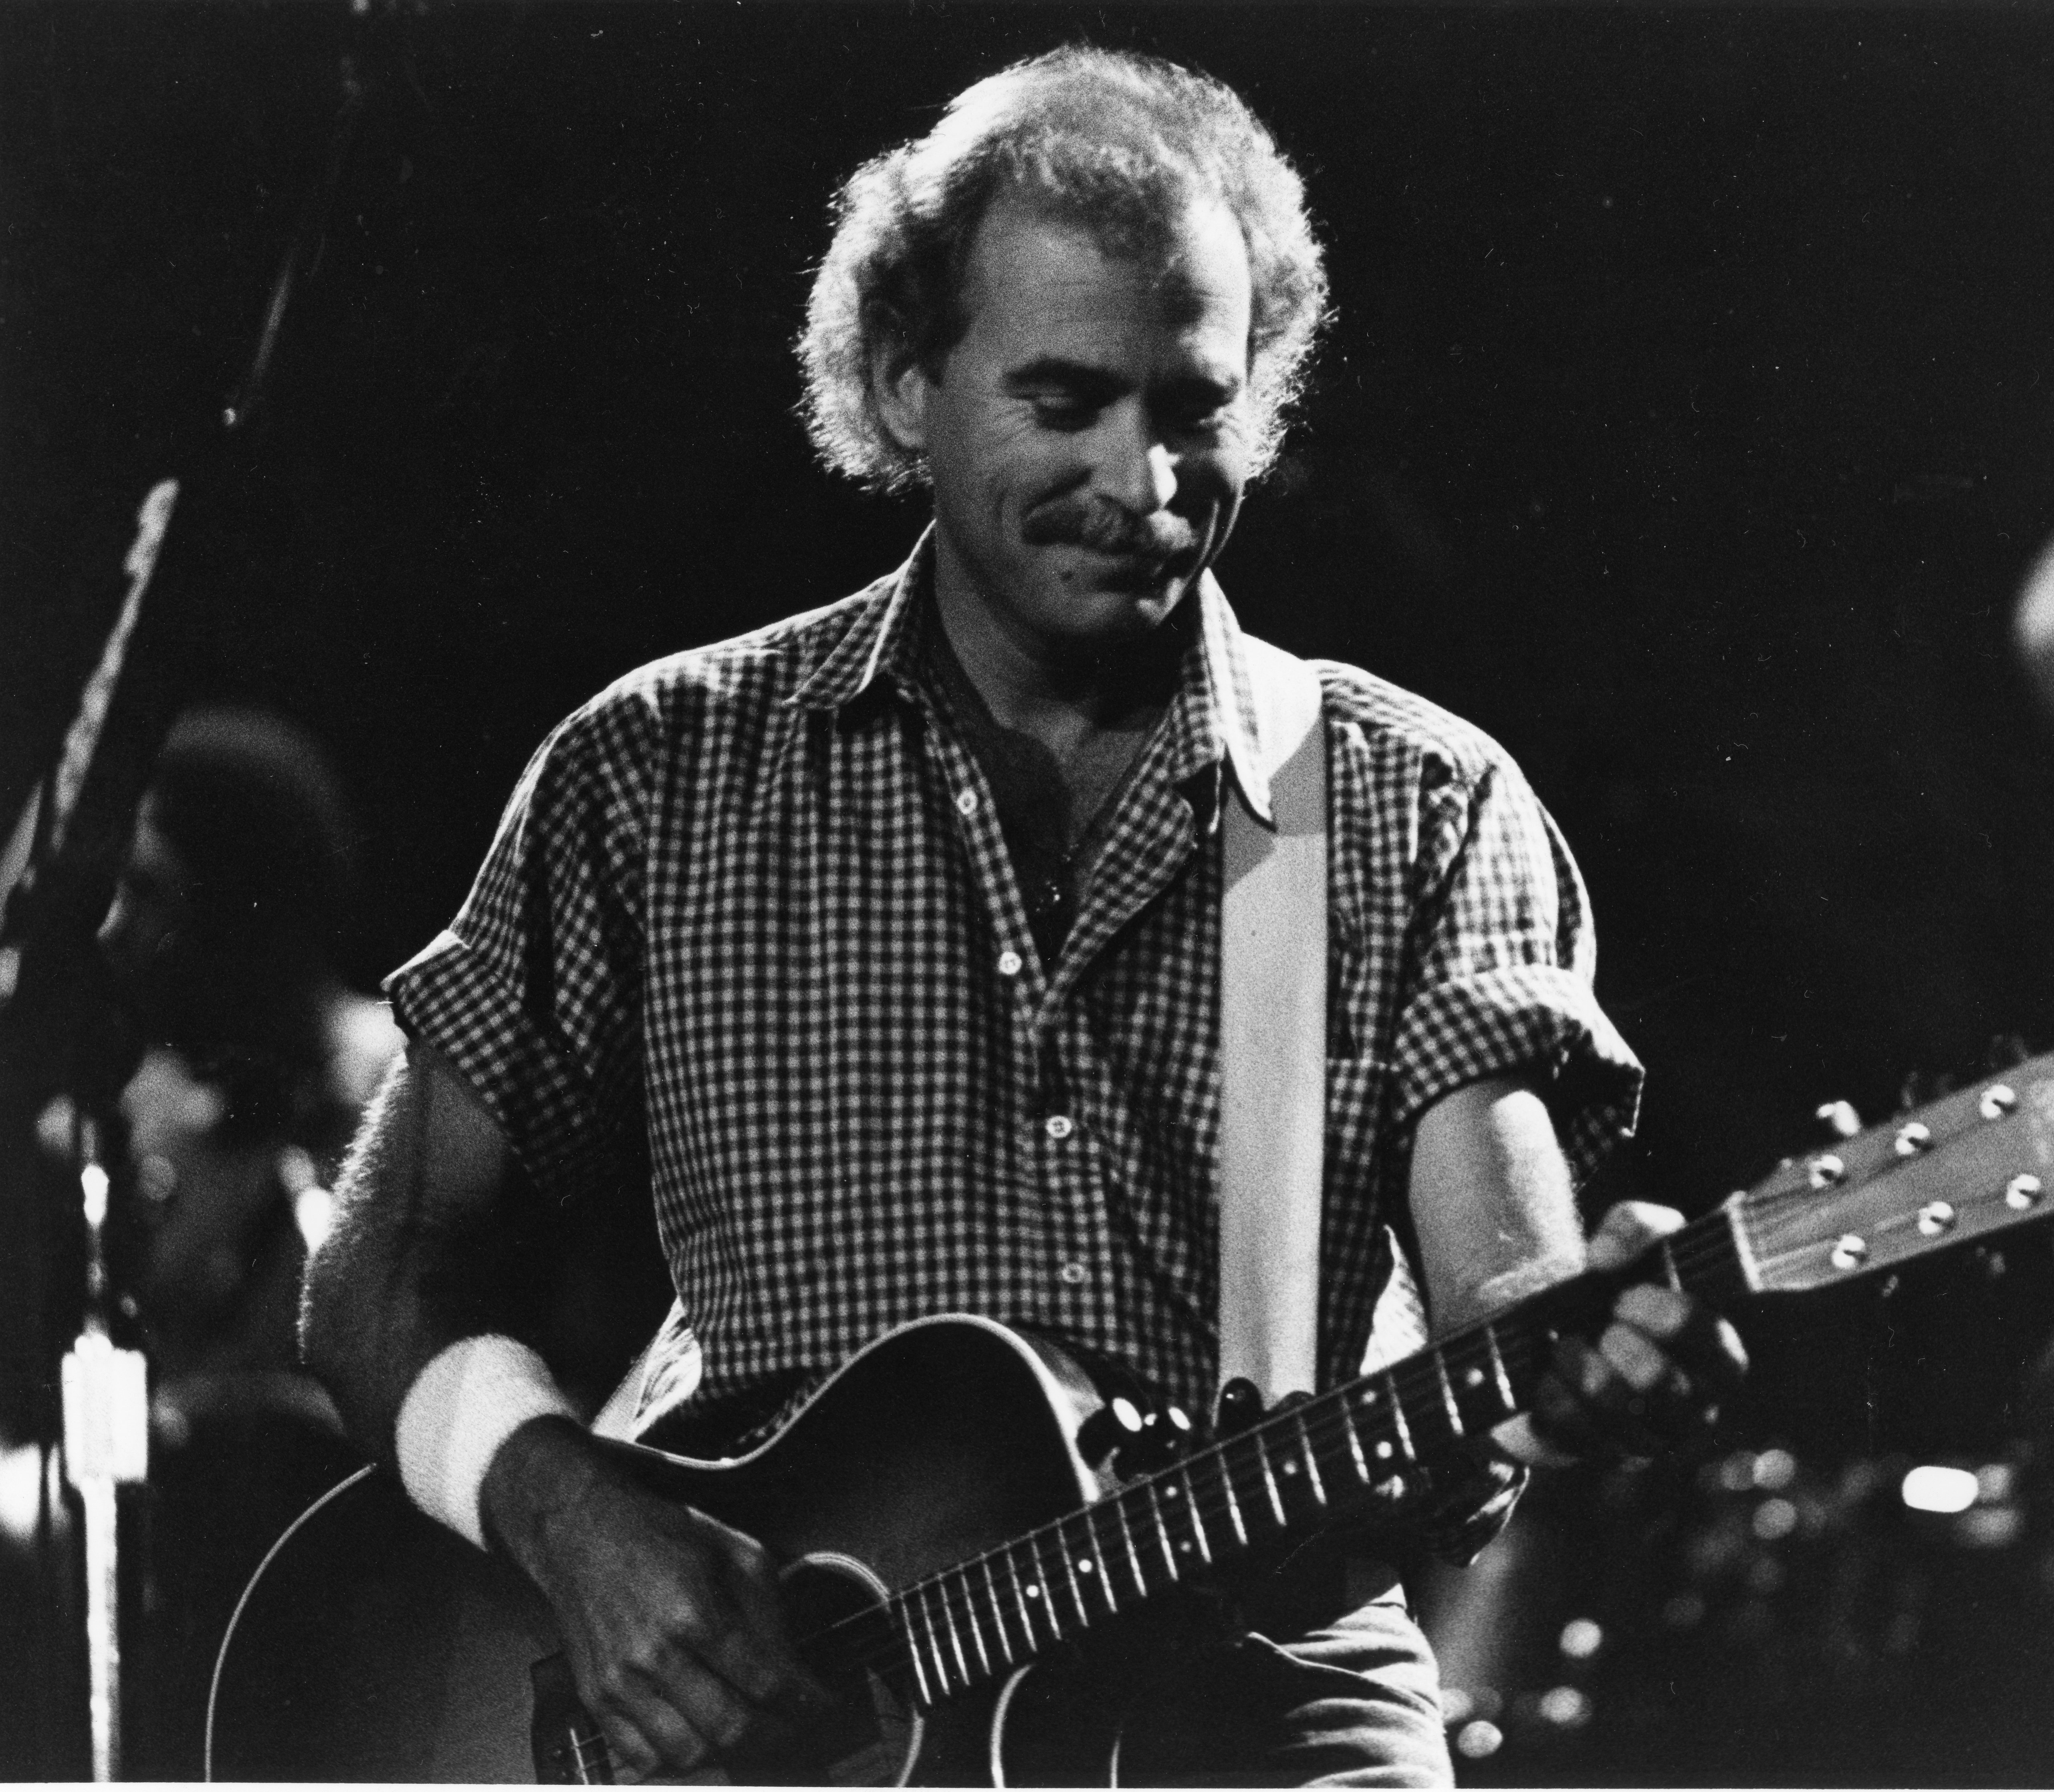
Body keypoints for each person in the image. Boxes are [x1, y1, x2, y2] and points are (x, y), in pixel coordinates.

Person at [302, 47, 1746, 1786]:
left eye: (1194, 406)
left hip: (1266, 1707)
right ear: (907, 389)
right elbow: (379, 1278)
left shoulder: (1407, 801)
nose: (1144, 480)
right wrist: (569, 1518)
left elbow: (1507, 1306)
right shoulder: (658, 775)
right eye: (1065, 403)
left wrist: (1583, 1349)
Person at [94, 705, 399, 1776]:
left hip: (380, 1659)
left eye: (149, 891)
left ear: (241, 908)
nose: (114, 932)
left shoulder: (408, 1093)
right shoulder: (129, 1122)